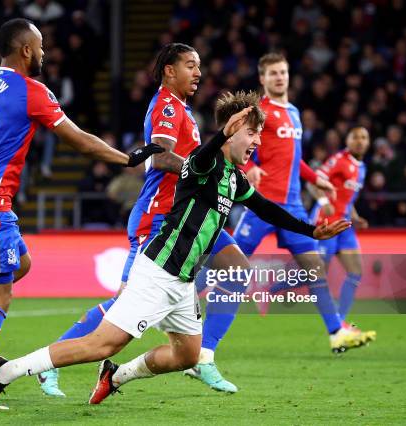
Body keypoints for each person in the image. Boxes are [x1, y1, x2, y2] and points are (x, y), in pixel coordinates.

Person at [0, 91, 350, 407]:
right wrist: (221, 135)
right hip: (157, 272)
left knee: (186, 354)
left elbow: (266, 207)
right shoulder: (200, 165)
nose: (256, 143)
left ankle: (116, 377)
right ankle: (4, 371)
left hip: (183, 283)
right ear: (232, 129)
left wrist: (312, 230)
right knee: (101, 343)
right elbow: (203, 158)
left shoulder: (234, 179)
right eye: (252, 133)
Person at [0, 18, 162, 410]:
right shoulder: (33, 91)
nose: (45, 53)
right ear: (26, 49)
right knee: (0, 295)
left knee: (20, 264)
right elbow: (80, 140)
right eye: (41, 46)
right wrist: (127, 158)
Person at [38, 43, 256, 396]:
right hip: (159, 217)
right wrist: (199, 170)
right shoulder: (167, 105)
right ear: (169, 71)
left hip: (191, 218)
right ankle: (50, 364)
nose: (198, 72)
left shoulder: (184, 109)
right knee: (125, 299)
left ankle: (204, 355)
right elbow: (158, 157)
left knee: (238, 269)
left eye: (199, 66)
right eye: (190, 65)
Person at [227, 53, 374, 356]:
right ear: (263, 79)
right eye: (273, 73)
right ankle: (179, 297)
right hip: (262, 203)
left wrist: (314, 179)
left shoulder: (294, 112)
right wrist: (248, 167)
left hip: (292, 207)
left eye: (283, 72)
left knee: (314, 269)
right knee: (229, 265)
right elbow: (233, 144)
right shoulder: (258, 111)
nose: (280, 77)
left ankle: (336, 333)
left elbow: (294, 158)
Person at [309, 127, 373, 322]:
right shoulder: (338, 160)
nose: (360, 141)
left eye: (364, 137)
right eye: (356, 137)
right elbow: (313, 182)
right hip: (325, 224)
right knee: (317, 275)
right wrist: (323, 202)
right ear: (348, 140)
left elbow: (348, 199)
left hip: (344, 226)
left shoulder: (361, 167)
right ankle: (276, 290)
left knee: (355, 272)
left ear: (368, 142)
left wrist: (355, 216)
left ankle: (339, 321)